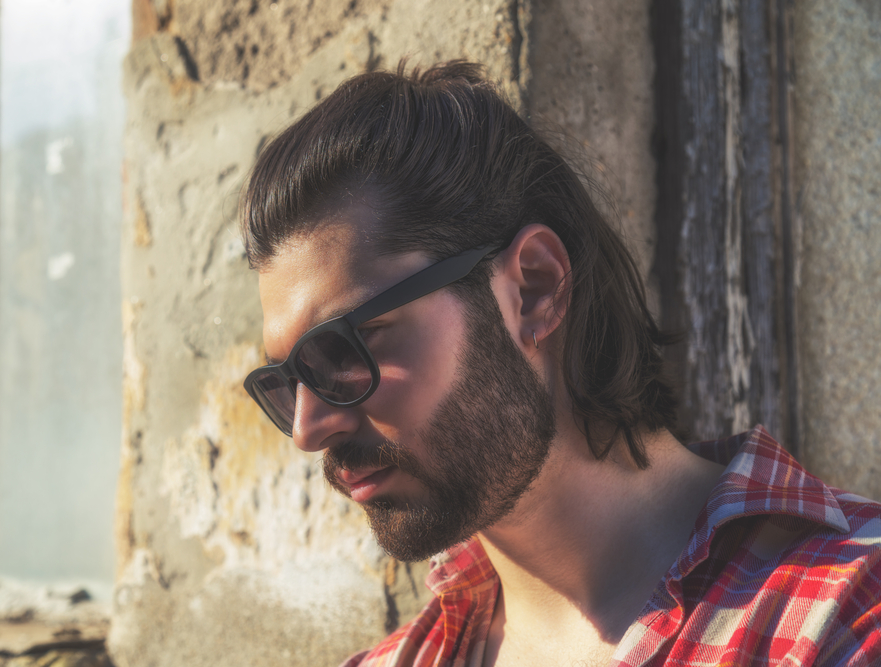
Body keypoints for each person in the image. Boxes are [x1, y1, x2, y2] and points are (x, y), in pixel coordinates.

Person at [238, 62, 881, 666]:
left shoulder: (848, 610)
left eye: (346, 348)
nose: (307, 429)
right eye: (287, 381)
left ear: (534, 289)